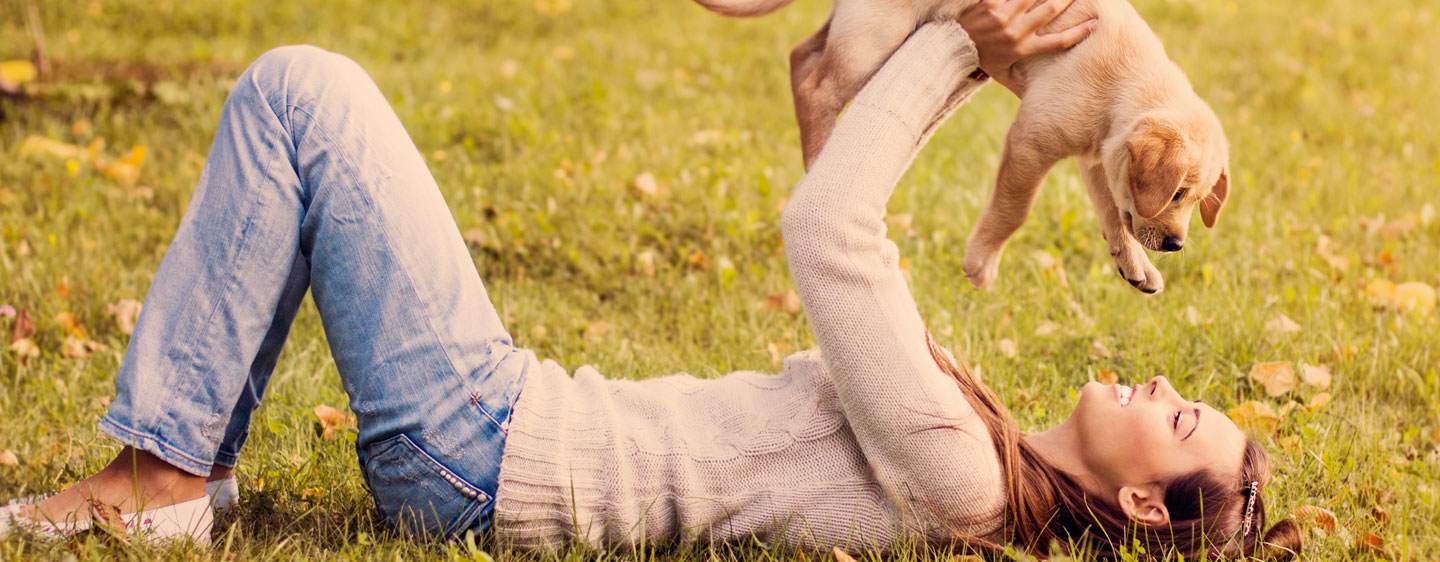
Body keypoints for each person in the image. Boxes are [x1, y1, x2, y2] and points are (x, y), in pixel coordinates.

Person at [1, 0, 1299, 558]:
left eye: (1185, 417)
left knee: (304, 94)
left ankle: (166, 477)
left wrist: (959, 48)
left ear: (1137, 499)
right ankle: (183, 460)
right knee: (311, 102)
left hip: (484, 451)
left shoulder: (964, 478)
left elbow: (831, 232)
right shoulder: (976, 457)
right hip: (502, 424)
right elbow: (849, 246)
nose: (1171, 379)